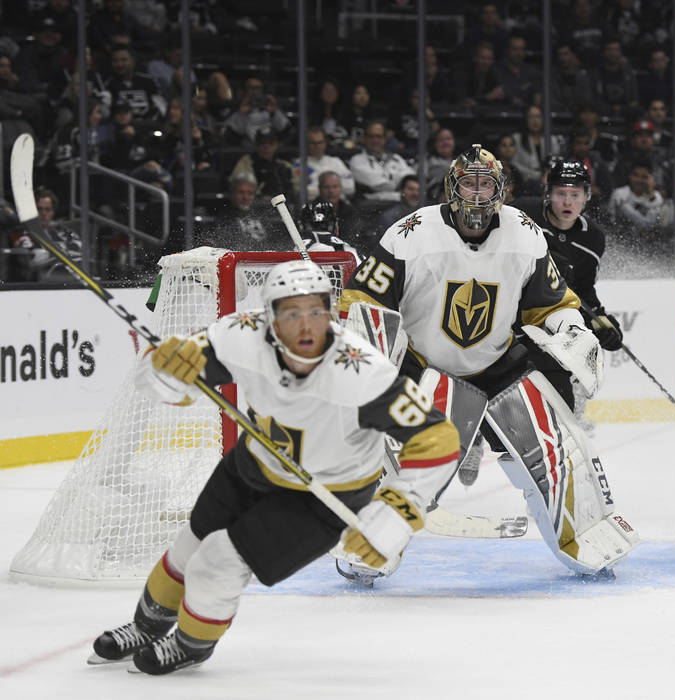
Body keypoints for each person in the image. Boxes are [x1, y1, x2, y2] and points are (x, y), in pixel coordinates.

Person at [89, 259, 460, 674]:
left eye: (317, 311)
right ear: (270, 319)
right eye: (292, 313)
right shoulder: (241, 335)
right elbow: (177, 373)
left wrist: (399, 509)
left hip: (323, 497)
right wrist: (163, 370)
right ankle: (146, 626)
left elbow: (438, 439)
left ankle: (192, 643)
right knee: (187, 548)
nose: (307, 326)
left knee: (217, 561)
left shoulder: (362, 374)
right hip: (253, 464)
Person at [337, 145, 635, 577]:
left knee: (555, 450)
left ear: (502, 191)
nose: (477, 195)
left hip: (499, 364)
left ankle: (584, 536)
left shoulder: (525, 233)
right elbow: (364, 302)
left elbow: (550, 302)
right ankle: (369, 545)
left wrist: (573, 329)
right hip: (428, 368)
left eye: (486, 185)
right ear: (451, 188)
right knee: (406, 467)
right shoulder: (409, 234)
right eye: (469, 184)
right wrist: (365, 365)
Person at [513, 159, 623, 451]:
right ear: (548, 193)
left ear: (587, 196)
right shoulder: (523, 215)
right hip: (513, 308)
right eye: (561, 193)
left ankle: (571, 415)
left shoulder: (593, 238)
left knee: (578, 340)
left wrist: (603, 320)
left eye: (575, 194)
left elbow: (585, 290)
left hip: (553, 314)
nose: (568, 201)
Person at [347, 120, 415, 202]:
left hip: (401, 203)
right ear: (364, 138)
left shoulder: (396, 158)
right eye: (371, 136)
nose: (375, 140)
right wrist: (399, 182)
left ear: (385, 139)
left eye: (379, 136)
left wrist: (398, 184)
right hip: (373, 207)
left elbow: (411, 179)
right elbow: (382, 186)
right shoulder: (357, 160)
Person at [292, 125, 354, 201]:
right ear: (306, 144)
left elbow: (350, 188)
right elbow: (303, 192)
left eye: (320, 142)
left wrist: (322, 189)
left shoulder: (336, 162)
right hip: (313, 207)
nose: (317, 146)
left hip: (340, 207)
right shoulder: (299, 164)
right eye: (313, 143)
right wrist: (336, 188)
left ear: (325, 143)